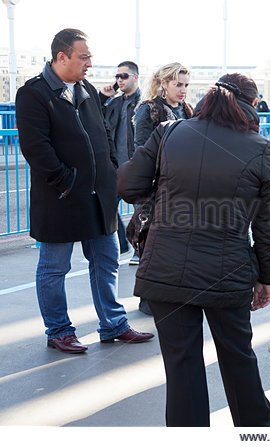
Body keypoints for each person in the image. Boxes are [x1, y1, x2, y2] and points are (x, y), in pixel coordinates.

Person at [118, 73, 270, 427]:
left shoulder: (169, 132)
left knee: (182, 367)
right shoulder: (257, 147)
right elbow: (269, 223)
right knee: (237, 355)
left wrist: (164, 202)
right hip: (227, 274)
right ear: (251, 105)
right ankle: (258, 424)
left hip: (165, 271)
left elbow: (129, 185)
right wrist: (266, 276)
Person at [15, 28, 154, 354]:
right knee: (54, 268)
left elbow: (103, 132)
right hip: (60, 198)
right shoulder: (33, 94)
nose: (90, 62)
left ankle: (114, 324)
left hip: (99, 196)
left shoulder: (86, 89)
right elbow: (36, 147)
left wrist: (110, 170)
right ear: (62, 56)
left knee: (107, 262)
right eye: (84, 56)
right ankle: (59, 330)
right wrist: (67, 180)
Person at [132, 62, 193, 314]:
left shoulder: (187, 110)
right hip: (154, 187)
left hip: (181, 187)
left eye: (186, 85)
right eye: (178, 84)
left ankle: (172, 294)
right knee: (151, 242)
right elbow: (142, 149)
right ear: (163, 84)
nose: (183, 90)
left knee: (177, 244)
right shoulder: (150, 110)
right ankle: (148, 299)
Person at [99, 61, 142, 256]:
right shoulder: (114, 103)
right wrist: (103, 98)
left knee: (141, 212)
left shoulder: (145, 103)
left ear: (135, 77)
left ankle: (139, 251)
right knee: (106, 207)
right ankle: (122, 244)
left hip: (137, 166)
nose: (119, 80)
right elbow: (94, 118)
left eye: (123, 76)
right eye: (117, 76)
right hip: (115, 167)